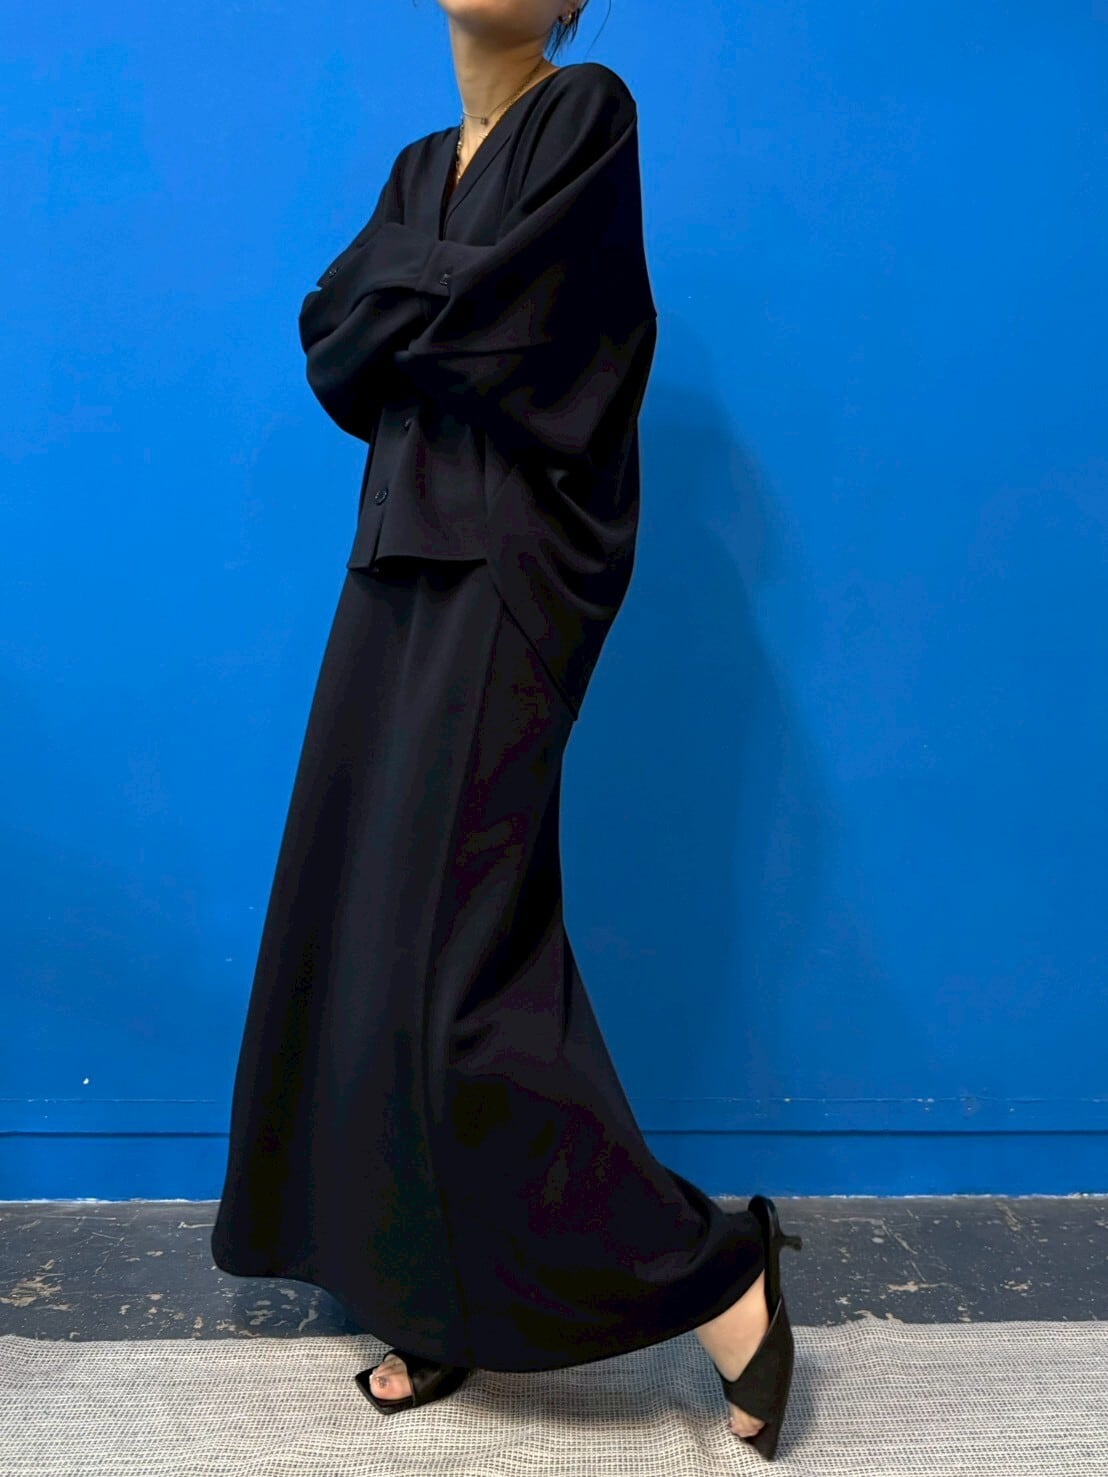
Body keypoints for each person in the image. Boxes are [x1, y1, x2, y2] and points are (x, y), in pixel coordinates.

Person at [210, 0, 803, 1459]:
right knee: (364, 939)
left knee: (464, 964)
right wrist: (422, 291)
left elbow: (528, 331)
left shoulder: (587, 112)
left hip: (507, 577)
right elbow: (333, 343)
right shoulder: (421, 167)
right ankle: (429, 1288)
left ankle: (719, 1274)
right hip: (394, 566)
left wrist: (399, 290)